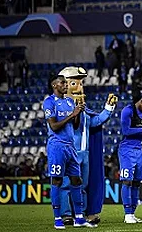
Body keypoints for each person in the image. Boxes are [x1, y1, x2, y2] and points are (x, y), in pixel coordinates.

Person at [56, 67, 116, 226]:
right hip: (70, 151)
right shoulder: (61, 106)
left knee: (82, 185)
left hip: (85, 153)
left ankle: (80, 213)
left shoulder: (83, 108)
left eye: (81, 83)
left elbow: (94, 122)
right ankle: (66, 214)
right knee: (66, 184)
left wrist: (108, 108)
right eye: (75, 83)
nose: (80, 87)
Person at [44, 75, 95, 229]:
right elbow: (53, 126)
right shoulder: (49, 102)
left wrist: (78, 112)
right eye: (62, 83)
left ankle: (79, 217)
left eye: (66, 83)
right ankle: (58, 218)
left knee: (76, 180)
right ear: (54, 85)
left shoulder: (69, 101)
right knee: (58, 181)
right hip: (57, 146)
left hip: (70, 146)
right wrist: (72, 114)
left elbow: (74, 125)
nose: (65, 85)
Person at [119, 92, 142, 224]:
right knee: (127, 181)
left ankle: (132, 214)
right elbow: (126, 131)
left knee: (136, 182)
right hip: (127, 149)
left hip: (139, 150)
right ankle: (127, 214)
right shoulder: (128, 111)